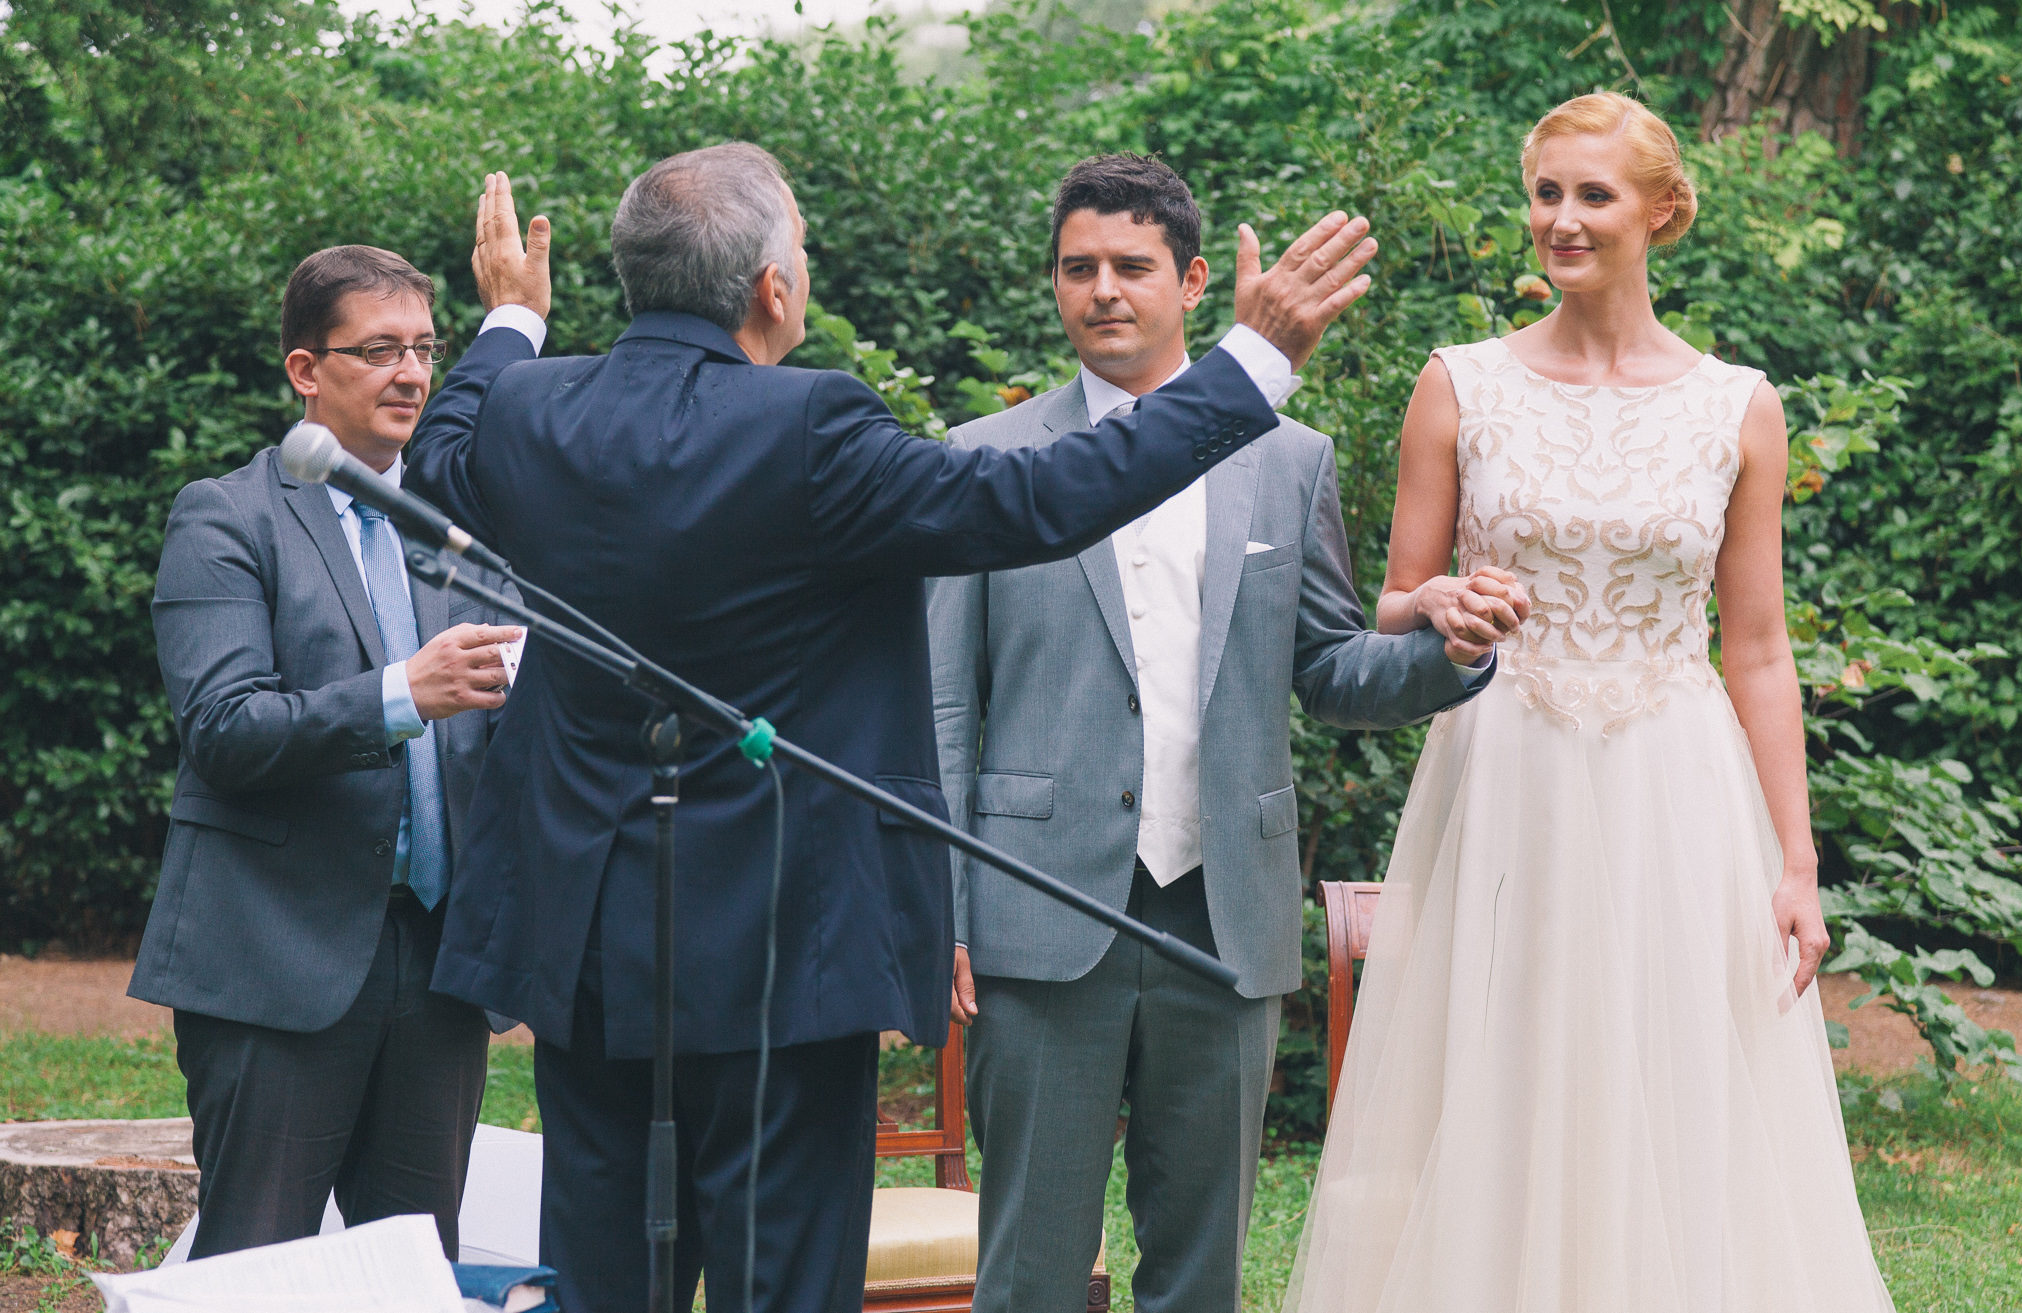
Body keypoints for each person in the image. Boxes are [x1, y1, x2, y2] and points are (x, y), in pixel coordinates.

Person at [405, 147, 1378, 1313]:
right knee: (784, 1278)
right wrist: (1253, 360)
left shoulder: (529, 407)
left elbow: (436, 454)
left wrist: (511, 319)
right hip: (784, 943)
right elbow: (1039, 500)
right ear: (772, 288)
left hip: (582, 933)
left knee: (607, 1273)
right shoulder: (813, 426)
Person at [1281, 92, 1895, 1311]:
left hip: (1676, 784)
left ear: (1662, 211)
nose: (1562, 219)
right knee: (1504, 1065)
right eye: (1546, 193)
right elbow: (1389, 607)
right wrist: (1438, 600)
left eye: (1593, 195)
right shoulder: (1459, 385)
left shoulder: (1738, 405)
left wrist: (1797, 860)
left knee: (1673, 1069)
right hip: (1507, 769)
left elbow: (1757, 650)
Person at [925, 153, 1520, 1313]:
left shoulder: (1287, 460)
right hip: (1037, 909)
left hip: (1225, 912)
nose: (1103, 289)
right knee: (1030, 1270)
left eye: (1131, 266)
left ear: (1193, 281)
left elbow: (1330, 668)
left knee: (1200, 1273)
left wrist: (1449, 654)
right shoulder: (986, 458)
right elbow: (946, 705)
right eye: (1077, 268)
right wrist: (939, 904)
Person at [130, 245, 525, 1259]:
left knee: (413, 1270)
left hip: (437, 966)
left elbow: (499, 733)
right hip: (277, 959)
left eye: (425, 348)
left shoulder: (455, 534)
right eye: (380, 350)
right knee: (255, 1269)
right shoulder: (226, 515)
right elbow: (224, 728)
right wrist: (403, 693)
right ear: (306, 369)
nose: (412, 374)